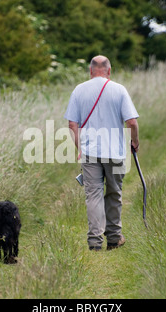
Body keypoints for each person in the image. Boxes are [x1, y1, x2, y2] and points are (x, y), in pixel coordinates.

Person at [64, 55, 139, 251]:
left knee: (93, 195)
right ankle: (114, 239)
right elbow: (131, 122)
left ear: (90, 71)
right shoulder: (119, 90)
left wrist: (80, 149)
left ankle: (95, 242)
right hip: (114, 151)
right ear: (109, 70)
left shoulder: (79, 90)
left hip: (89, 152)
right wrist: (135, 142)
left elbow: (72, 124)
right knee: (114, 193)